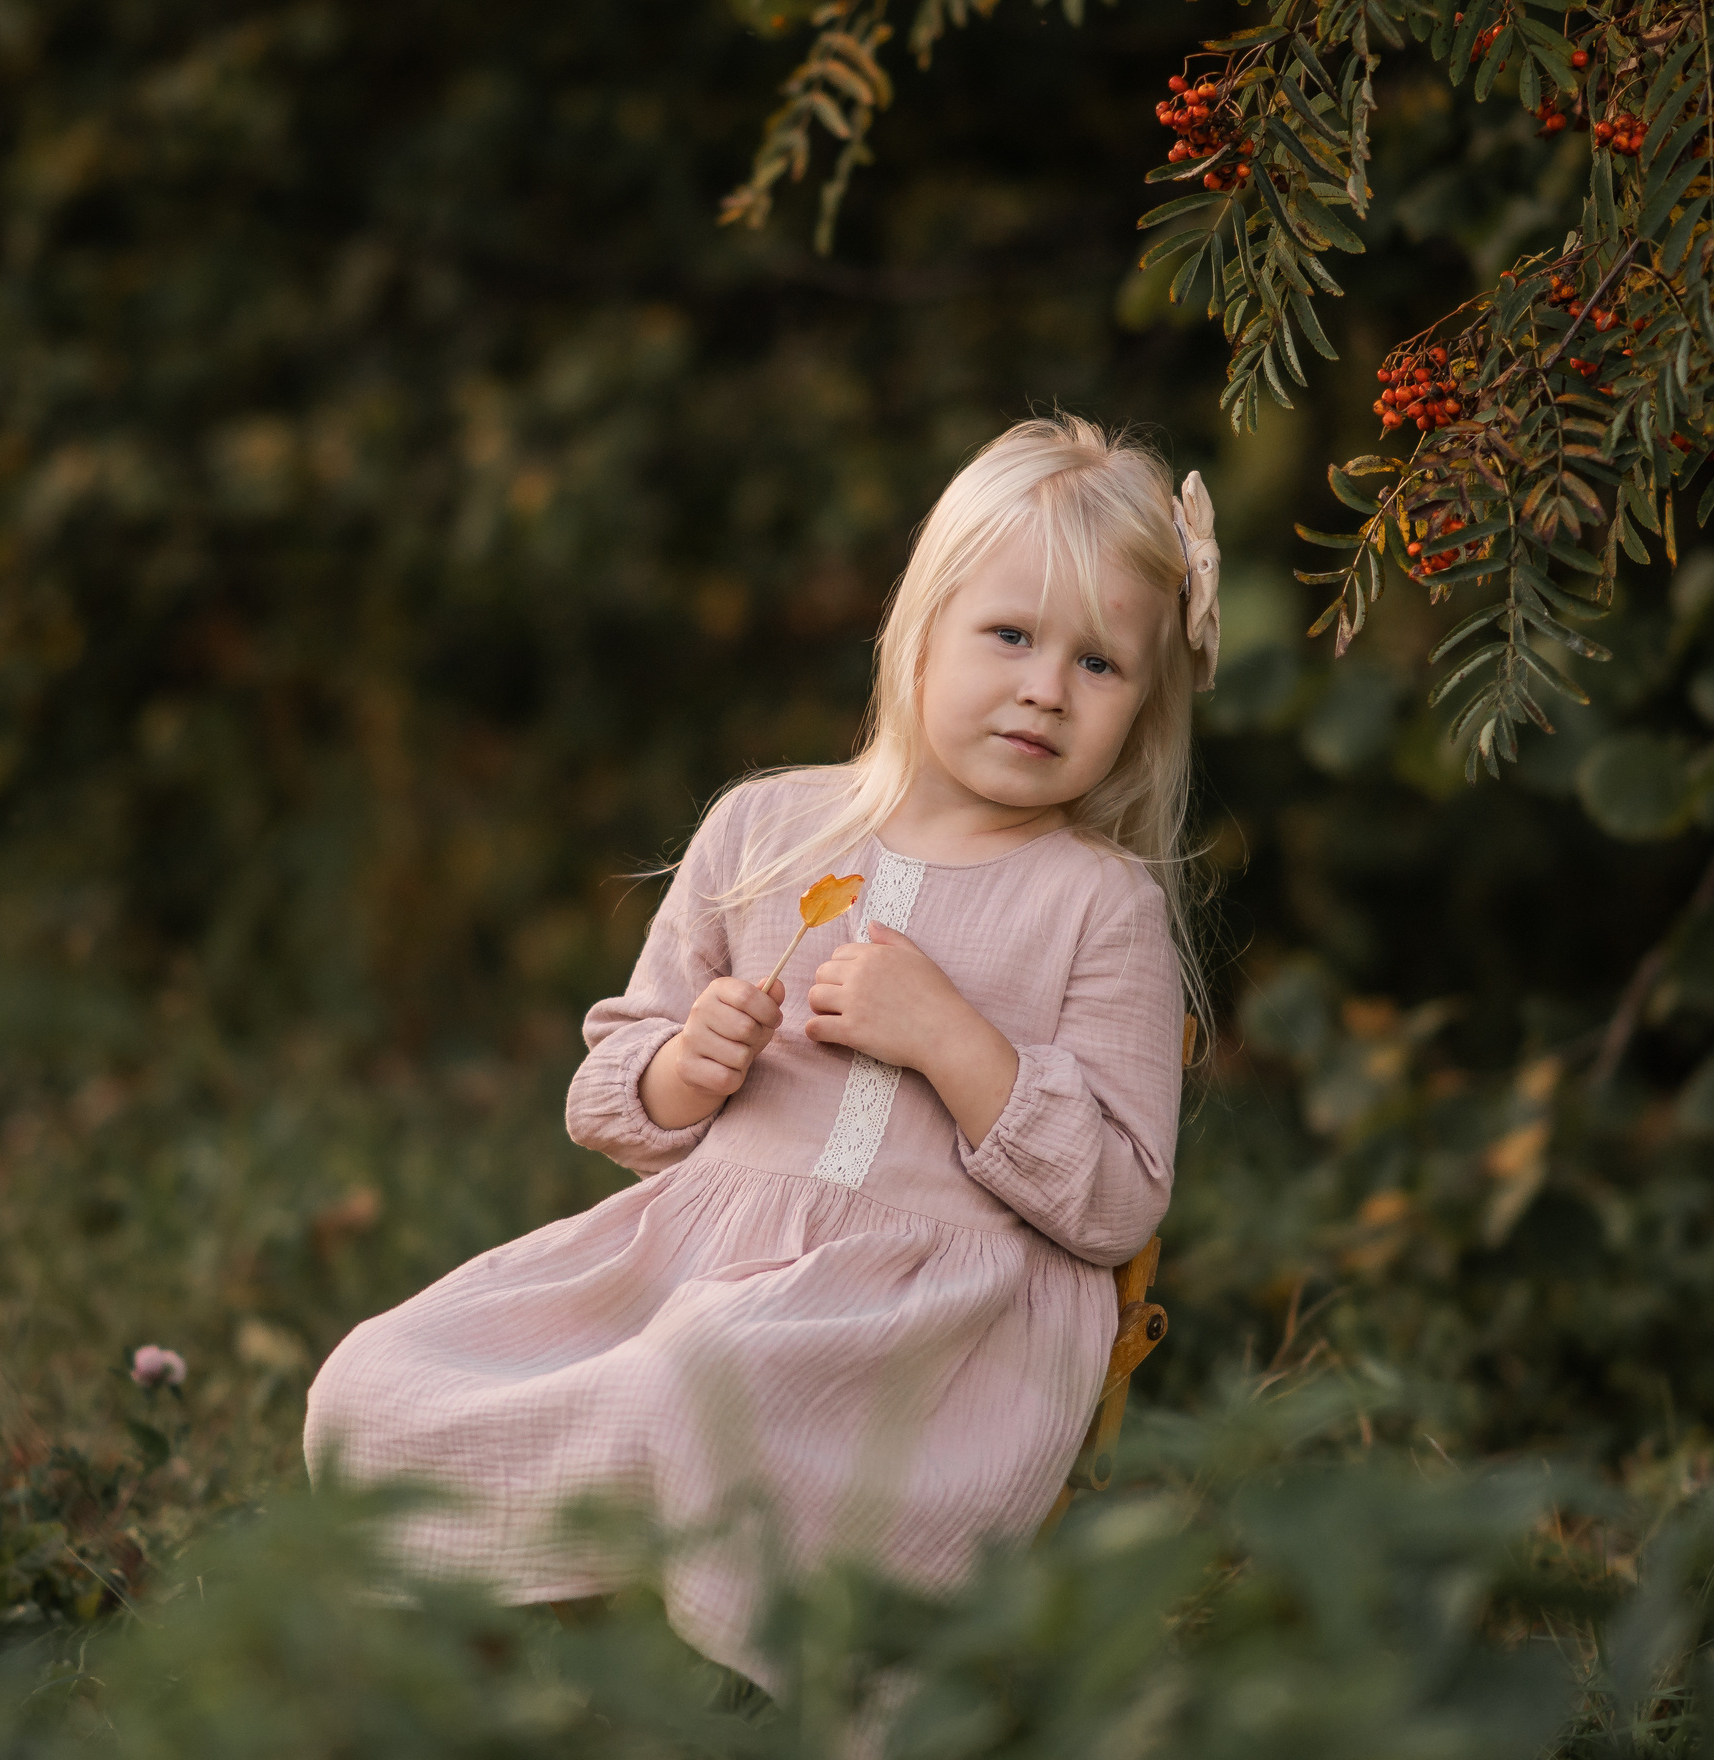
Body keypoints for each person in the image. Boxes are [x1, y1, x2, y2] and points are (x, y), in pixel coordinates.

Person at [305, 414, 1220, 1691]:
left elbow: (1120, 1197)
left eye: (1100, 662)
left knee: (701, 1387)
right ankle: (499, 1652)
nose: (1044, 688)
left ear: (1146, 700)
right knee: (378, 1377)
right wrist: (691, 1061)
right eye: (1009, 635)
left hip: (923, 1325)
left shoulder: (1096, 901)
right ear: (921, 630)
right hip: (702, 1256)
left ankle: (771, 1678)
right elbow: (612, 1094)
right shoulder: (768, 829)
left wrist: (953, 1040)